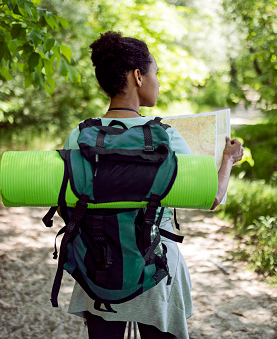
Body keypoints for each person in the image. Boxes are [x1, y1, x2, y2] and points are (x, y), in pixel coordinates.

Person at [62, 31, 243, 339]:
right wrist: (227, 160)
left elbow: (70, 204)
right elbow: (211, 197)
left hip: (100, 267)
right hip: (154, 268)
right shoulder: (166, 137)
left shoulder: (79, 136)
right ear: (138, 76)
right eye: (155, 73)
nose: (157, 81)